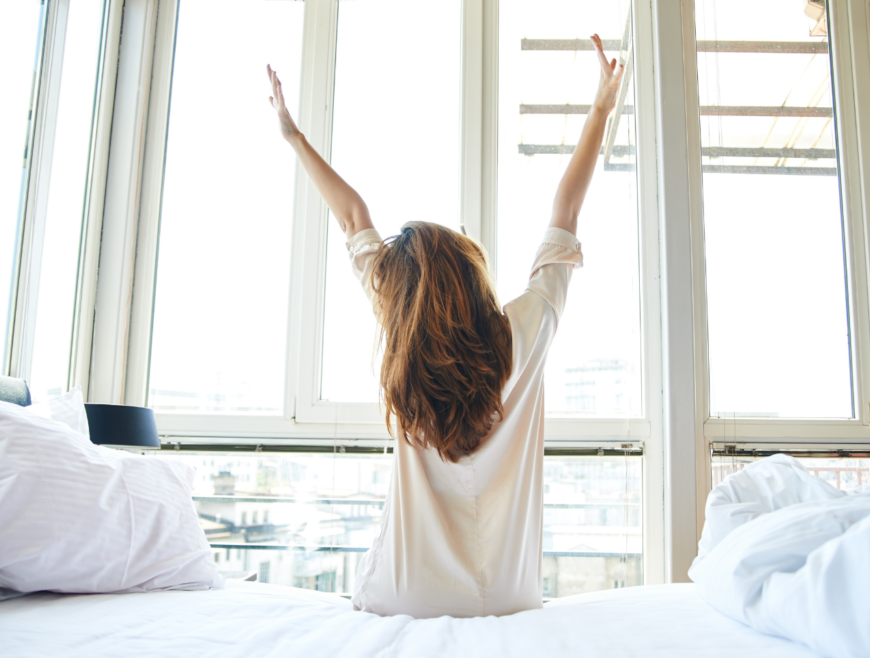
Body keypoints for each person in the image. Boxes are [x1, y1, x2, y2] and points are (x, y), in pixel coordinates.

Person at [267, 34, 624, 618]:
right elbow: (566, 211)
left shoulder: (401, 335)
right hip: (507, 596)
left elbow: (354, 216)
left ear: (403, 295)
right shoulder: (523, 334)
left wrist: (294, 136)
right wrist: (601, 110)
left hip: (407, 594)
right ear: (470, 270)